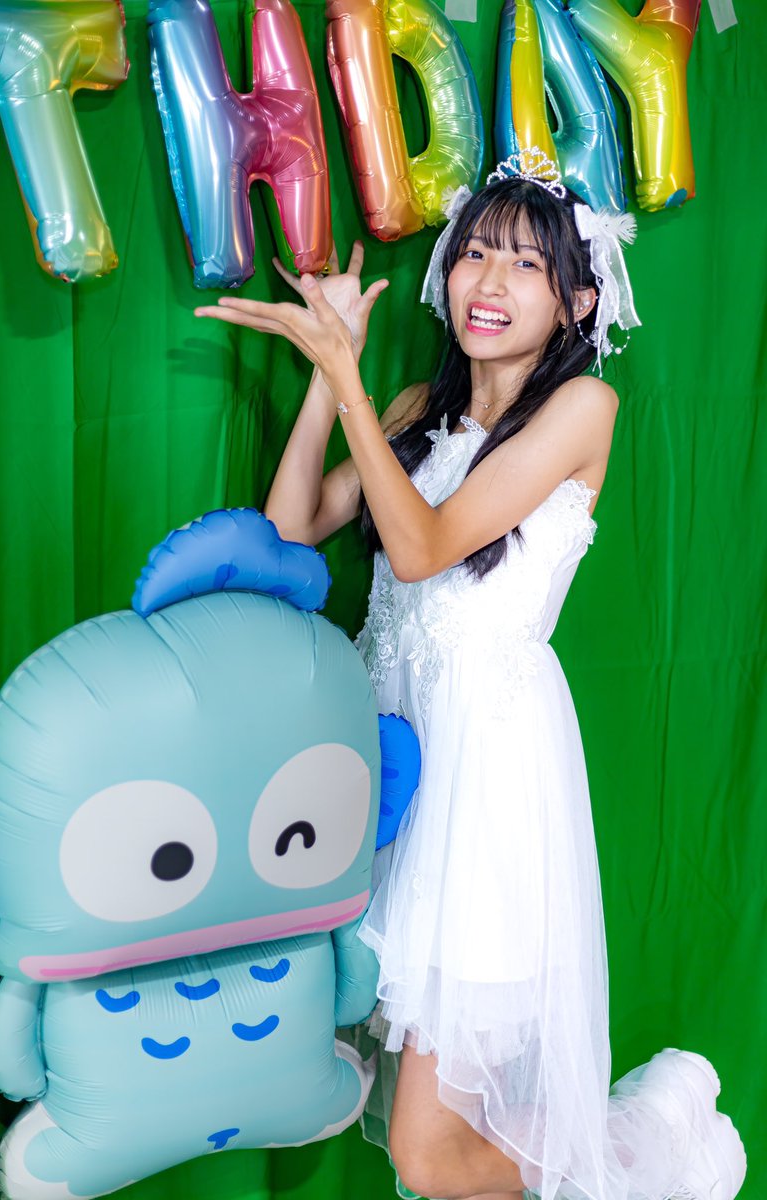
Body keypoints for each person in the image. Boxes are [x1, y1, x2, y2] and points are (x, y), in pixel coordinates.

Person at [195, 152, 746, 1200]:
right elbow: (291, 530)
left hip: (485, 788)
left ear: (577, 301)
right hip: (395, 766)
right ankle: (627, 1142)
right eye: (476, 253)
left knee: (426, 1154)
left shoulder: (582, 408)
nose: (489, 282)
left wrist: (348, 382)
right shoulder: (414, 407)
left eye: (527, 266)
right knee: (441, 1134)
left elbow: (423, 549)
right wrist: (330, 375)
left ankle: (651, 1147)